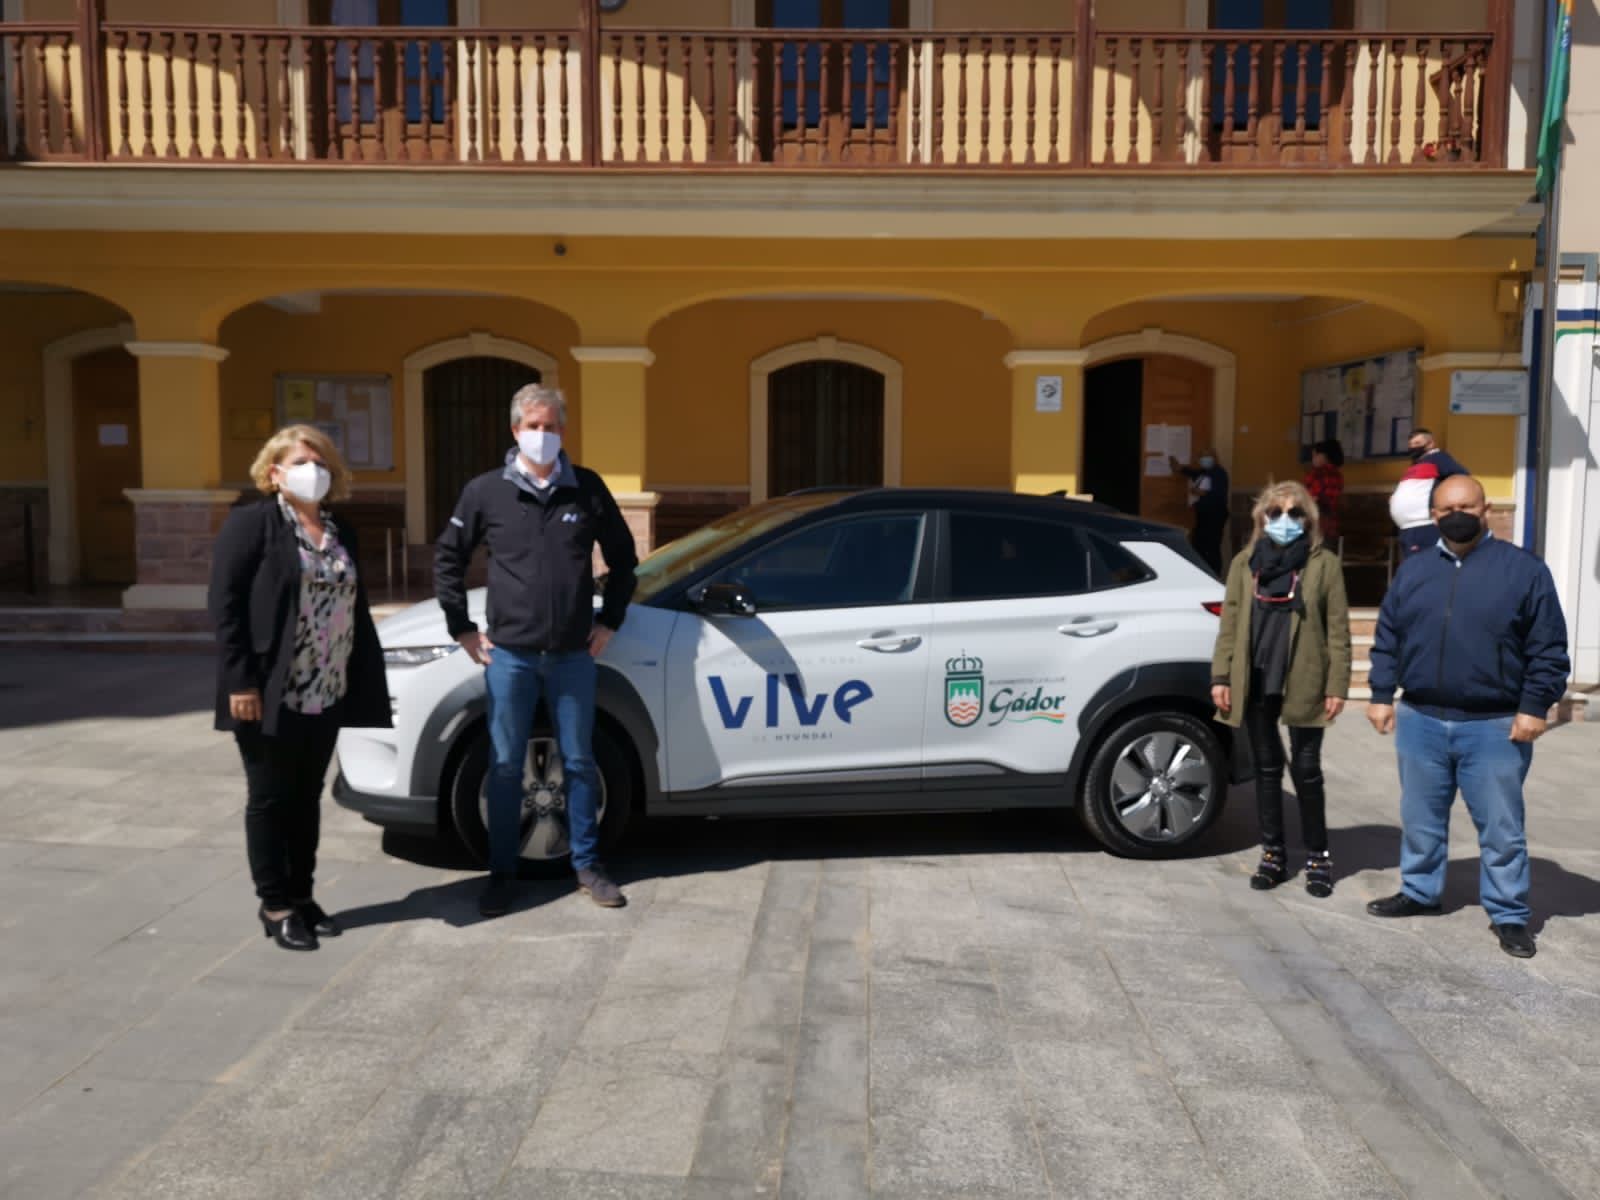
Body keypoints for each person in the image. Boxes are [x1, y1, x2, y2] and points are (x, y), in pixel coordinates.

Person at [435, 384, 639, 918]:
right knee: (504, 766)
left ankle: (588, 867)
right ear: (514, 429)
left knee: (578, 762)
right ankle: (503, 872)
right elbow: (448, 560)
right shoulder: (485, 491)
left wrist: (609, 621)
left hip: (574, 655)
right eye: (533, 425)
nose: (542, 435)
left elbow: (623, 558)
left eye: (551, 426)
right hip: (510, 658)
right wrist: (462, 629)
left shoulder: (587, 488)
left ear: (563, 431)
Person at [1365, 475, 1570, 959]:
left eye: (1466, 505)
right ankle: (1420, 891)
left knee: (1500, 827)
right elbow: (1388, 635)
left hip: (1495, 724)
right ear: (1433, 517)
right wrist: (1379, 693)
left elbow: (1548, 647)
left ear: (1486, 508)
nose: (1456, 513)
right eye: (1445, 508)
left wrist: (1534, 706)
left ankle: (1509, 913)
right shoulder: (1414, 572)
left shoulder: (1523, 571)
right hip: (1421, 717)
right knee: (1420, 817)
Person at [209, 425, 391, 951]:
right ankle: (275, 904)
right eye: (302, 460)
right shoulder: (253, 524)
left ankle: (303, 896)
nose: (314, 469)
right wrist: (240, 680)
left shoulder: (339, 531)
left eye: (321, 461)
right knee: (269, 797)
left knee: (306, 798)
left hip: (327, 687)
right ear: (275, 472)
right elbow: (225, 606)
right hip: (268, 688)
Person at [1210, 481, 1351, 897]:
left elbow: (1338, 630)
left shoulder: (1323, 565)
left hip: (1304, 679)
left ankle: (1318, 857)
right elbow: (1230, 623)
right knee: (1267, 769)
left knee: (1306, 770)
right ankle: (1272, 853)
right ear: (1260, 519)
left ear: (1309, 520)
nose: (1284, 521)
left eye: (1295, 513)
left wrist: (1337, 684)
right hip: (1254, 678)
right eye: (1275, 513)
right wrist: (1221, 676)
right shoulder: (1243, 564)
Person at [1389, 427, 1467, 556]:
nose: (1413, 447)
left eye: (1417, 444)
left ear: (1430, 444)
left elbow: (1461, 477)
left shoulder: (1438, 457)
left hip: (1424, 525)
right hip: (1406, 528)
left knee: (1424, 566)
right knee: (1412, 568)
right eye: (1411, 445)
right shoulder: (1416, 465)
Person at [1169, 446, 1230, 574]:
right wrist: (1179, 467)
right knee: (1199, 545)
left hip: (1215, 516)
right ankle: (1203, 573)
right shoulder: (1203, 472)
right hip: (1204, 515)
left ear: (1214, 458)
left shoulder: (1219, 473)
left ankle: (1214, 575)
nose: (1204, 459)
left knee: (1211, 547)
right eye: (1202, 456)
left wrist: (1199, 492)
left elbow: (1216, 494)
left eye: (1208, 456)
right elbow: (1191, 473)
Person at [1304, 438, 1345, 544]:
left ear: (1323, 456)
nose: (1312, 459)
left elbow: (1311, 498)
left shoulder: (1317, 474)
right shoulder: (1338, 475)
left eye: (1314, 455)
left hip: (1315, 526)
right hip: (1331, 526)